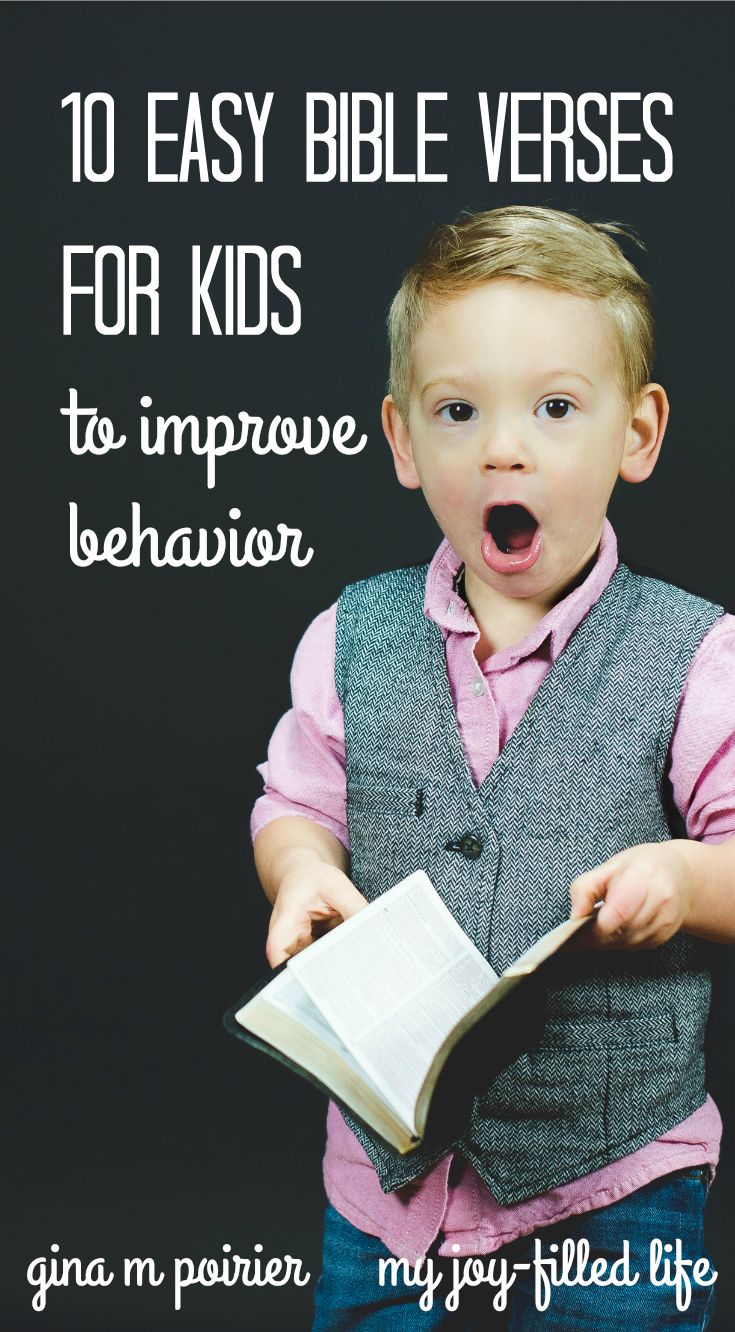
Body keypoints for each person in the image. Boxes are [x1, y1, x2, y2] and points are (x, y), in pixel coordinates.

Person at [250, 207, 735, 1329]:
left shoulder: (695, 658)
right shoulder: (350, 638)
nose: (502, 449)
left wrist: (687, 879)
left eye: (556, 409)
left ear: (638, 434)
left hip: (616, 1176)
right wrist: (301, 871)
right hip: (392, 1191)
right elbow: (295, 800)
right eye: (459, 412)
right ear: (405, 441)